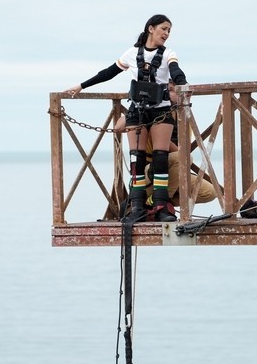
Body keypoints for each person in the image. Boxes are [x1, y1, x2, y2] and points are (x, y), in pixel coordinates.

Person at [65, 14, 188, 223]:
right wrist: (81, 86)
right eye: (163, 29)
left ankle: (161, 206)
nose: (166, 34)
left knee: (160, 157)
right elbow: (108, 72)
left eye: (169, 31)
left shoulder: (169, 54)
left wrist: (182, 83)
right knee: (136, 159)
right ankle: (137, 206)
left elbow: (176, 71)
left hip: (161, 111)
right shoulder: (132, 54)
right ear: (151, 28)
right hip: (137, 111)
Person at [114, 114, 216, 212]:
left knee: (209, 192)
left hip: (173, 171)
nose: (182, 95)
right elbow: (118, 127)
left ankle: (155, 202)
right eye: (177, 94)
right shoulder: (153, 110)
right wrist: (139, 112)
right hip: (150, 171)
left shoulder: (185, 114)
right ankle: (160, 204)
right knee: (182, 158)